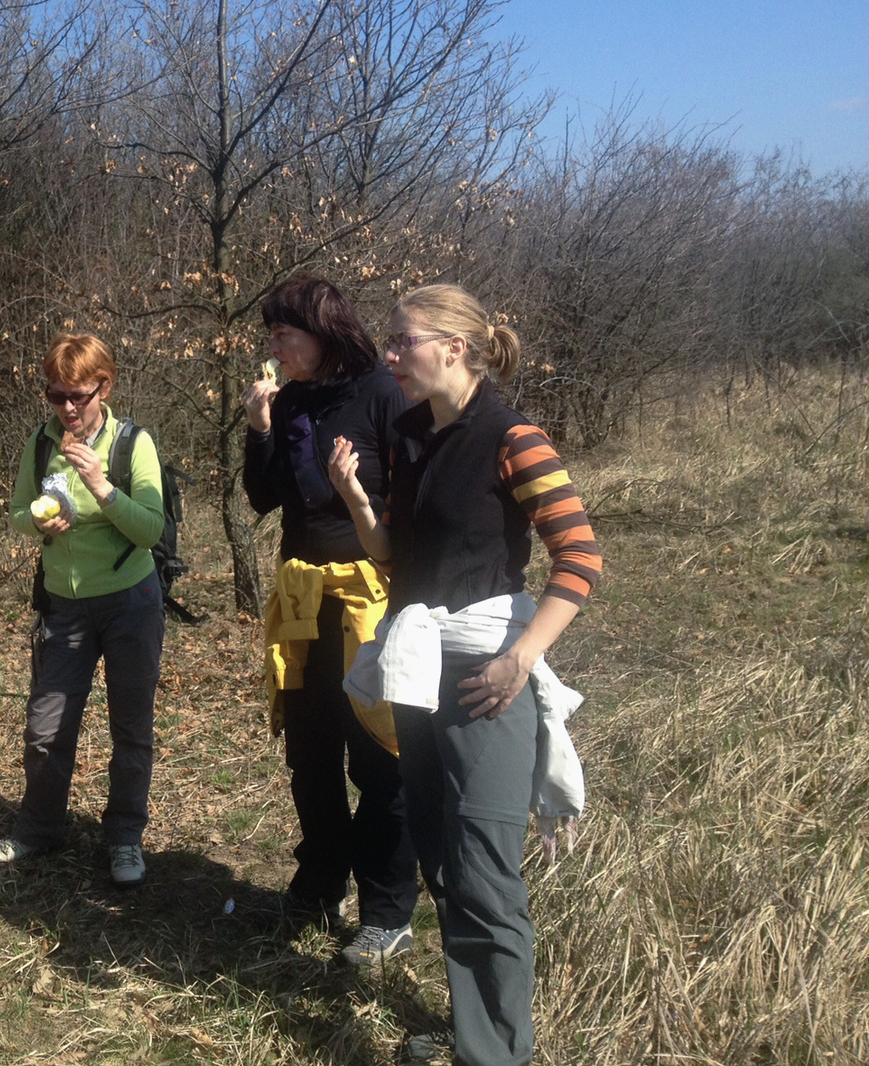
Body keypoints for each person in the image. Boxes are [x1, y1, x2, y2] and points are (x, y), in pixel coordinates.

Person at [329, 284, 602, 1066]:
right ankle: (473, 1030)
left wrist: (523, 657)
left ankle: (497, 1054)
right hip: (420, 672)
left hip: (486, 676)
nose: (390, 354)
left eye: (402, 340)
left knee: (483, 868)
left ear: (453, 347)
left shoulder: (513, 437)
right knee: (444, 860)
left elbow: (579, 556)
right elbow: (395, 560)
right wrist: (355, 499)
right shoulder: (415, 434)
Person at [242, 274, 420, 964]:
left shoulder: (382, 393)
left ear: (323, 331)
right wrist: (259, 430)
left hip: (369, 598)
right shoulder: (288, 403)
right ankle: (320, 881)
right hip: (301, 598)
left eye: (284, 334)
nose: (275, 347)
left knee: (378, 756)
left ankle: (386, 909)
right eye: (272, 336)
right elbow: (264, 498)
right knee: (310, 753)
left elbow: (409, 497)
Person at [0, 334, 166, 886]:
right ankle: (38, 830)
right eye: (55, 395)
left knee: (130, 727)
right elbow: (16, 513)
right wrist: (36, 523)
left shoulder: (133, 444)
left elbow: (151, 527)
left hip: (131, 601)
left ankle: (125, 838)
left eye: (78, 395)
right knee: (45, 729)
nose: (66, 408)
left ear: (103, 388)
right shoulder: (40, 444)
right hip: (64, 605)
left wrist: (100, 486)